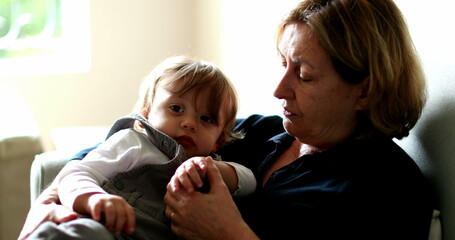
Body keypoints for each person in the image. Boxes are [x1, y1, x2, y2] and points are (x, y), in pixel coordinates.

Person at [19, 0, 434, 239]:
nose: (279, 90)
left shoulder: (390, 190)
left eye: (304, 75)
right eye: (282, 64)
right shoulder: (263, 132)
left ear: (365, 88)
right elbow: (133, 144)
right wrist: (50, 203)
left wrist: (229, 233)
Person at [23, 56, 256, 240]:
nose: (189, 123)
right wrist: (93, 198)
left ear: (219, 140)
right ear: (146, 111)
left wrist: (212, 168)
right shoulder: (134, 143)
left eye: (206, 119)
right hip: (106, 229)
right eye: (176, 108)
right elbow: (75, 174)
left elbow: (249, 180)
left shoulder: (209, 167)